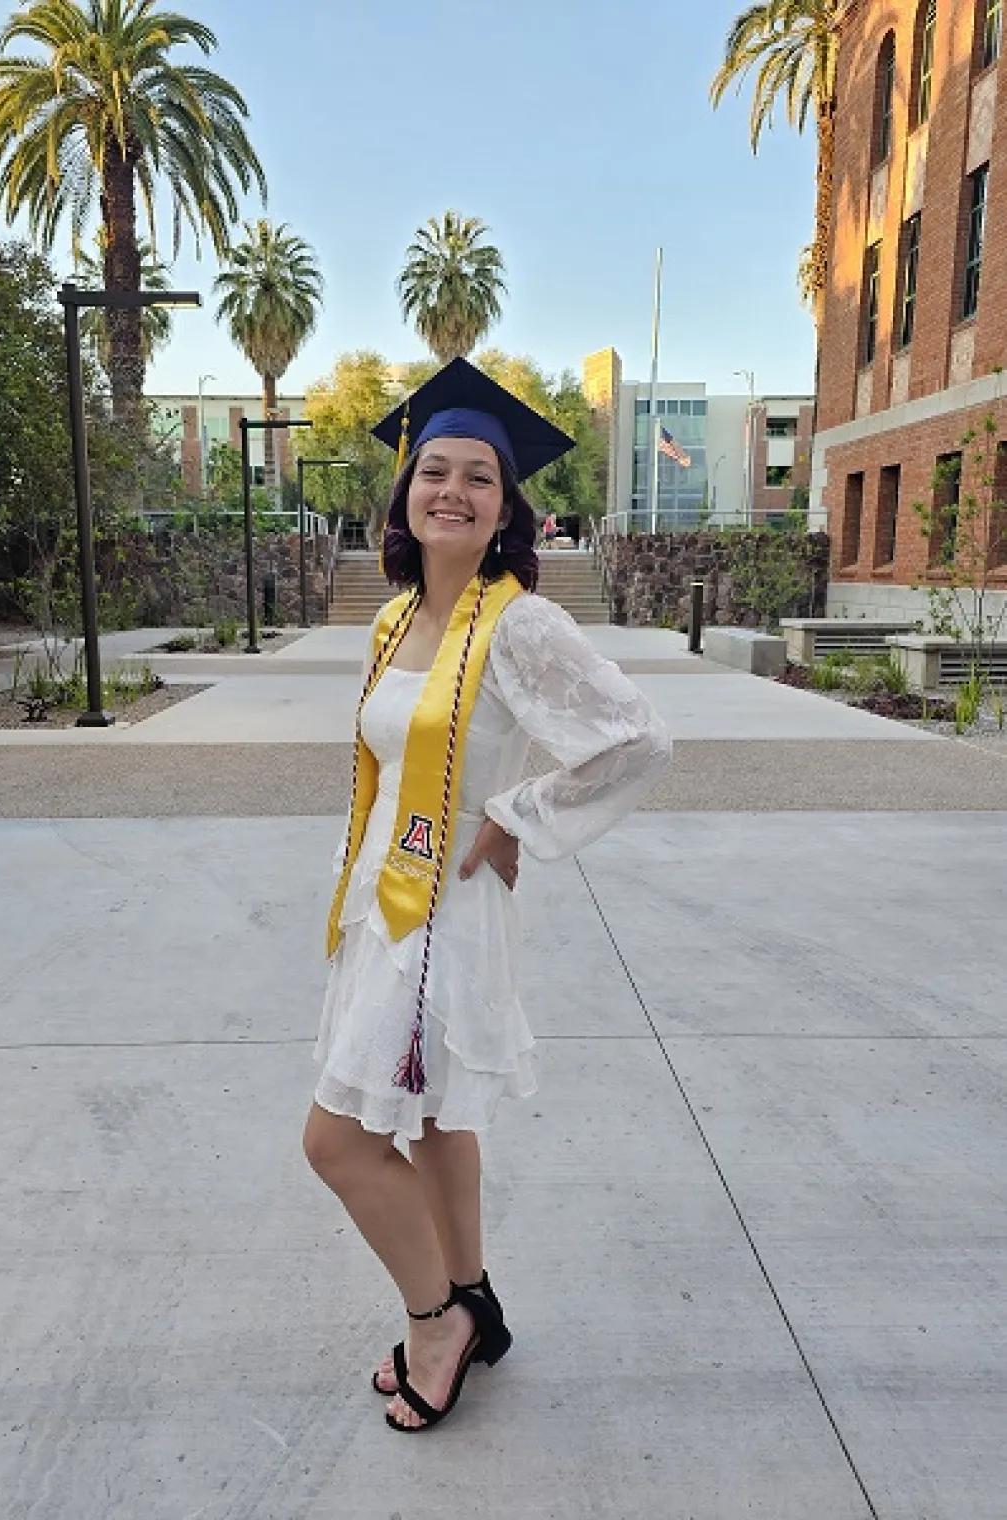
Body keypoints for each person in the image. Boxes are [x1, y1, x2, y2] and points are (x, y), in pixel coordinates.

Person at [302, 358, 672, 1434]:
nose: (452, 491)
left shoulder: (518, 624)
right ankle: (474, 1296)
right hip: (381, 901)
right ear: (405, 493)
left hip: (445, 917)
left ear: (508, 506)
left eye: (479, 476)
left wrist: (520, 814)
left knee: (337, 1142)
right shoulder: (398, 616)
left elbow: (637, 737)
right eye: (434, 470)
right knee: (434, 1123)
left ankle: (433, 1321)